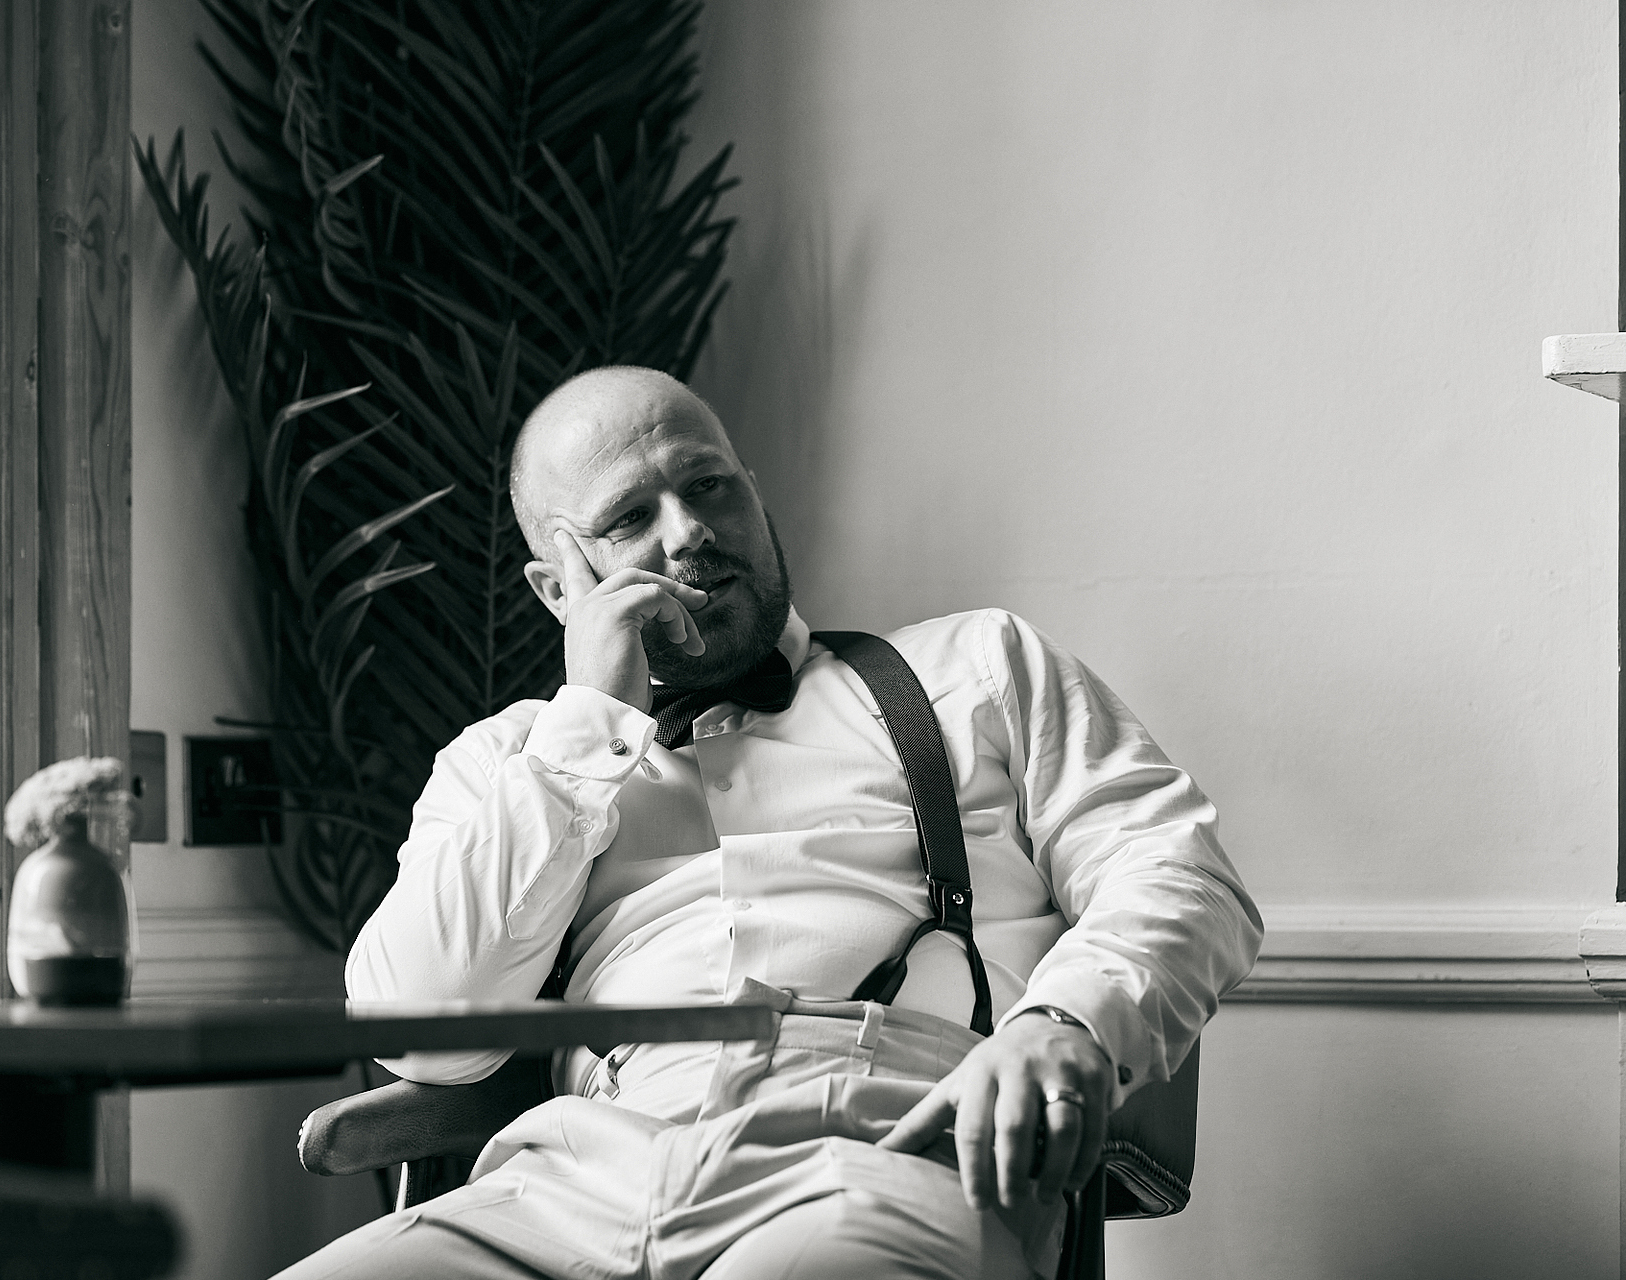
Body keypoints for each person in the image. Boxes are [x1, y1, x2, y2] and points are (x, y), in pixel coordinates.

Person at [274, 366, 1262, 1280]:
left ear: (755, 498)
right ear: (556, 587)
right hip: (570, 1178)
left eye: (708, 486)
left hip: (885, 1144)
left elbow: (1178, 871)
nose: (688, 532)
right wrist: (587, 729)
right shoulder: (507, 761)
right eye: (629, 516)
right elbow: (421, 1035)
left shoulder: (978, 666)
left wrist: (1065, 1024)